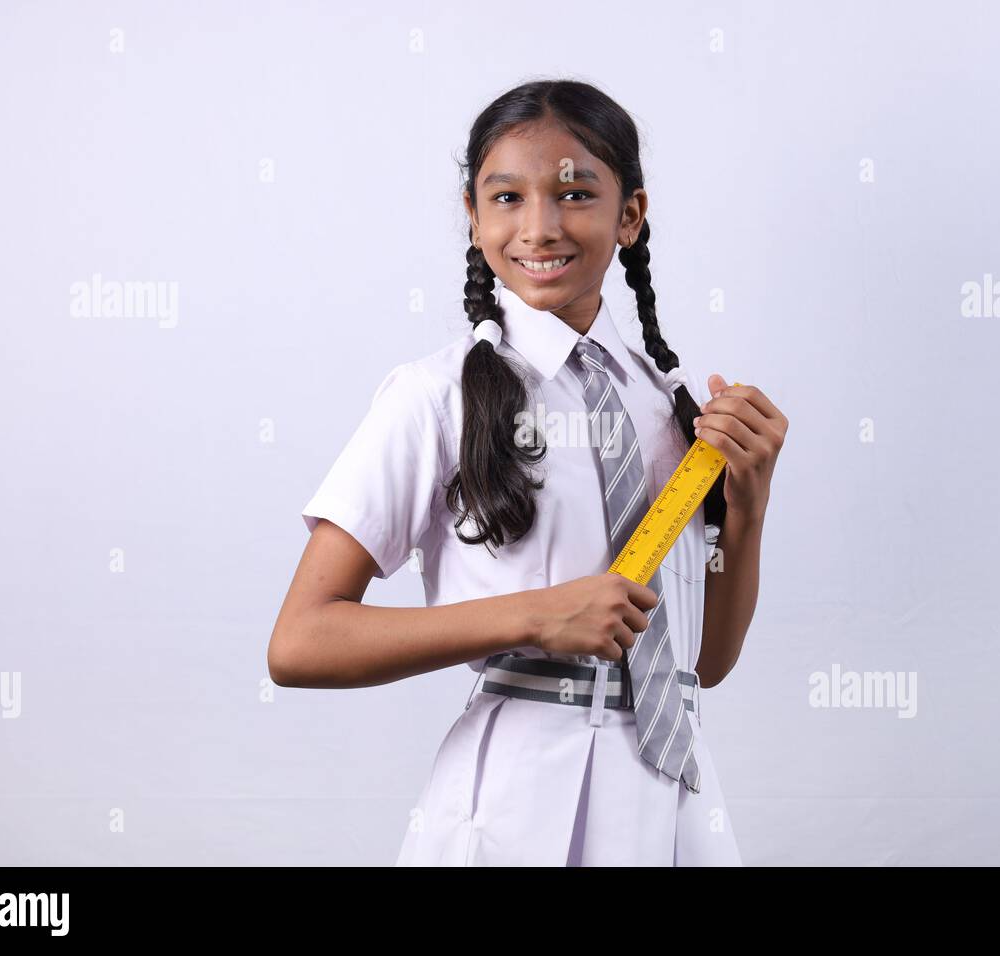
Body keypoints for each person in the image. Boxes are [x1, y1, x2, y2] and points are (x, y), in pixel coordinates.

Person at [268, 78, 788, 865]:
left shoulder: (672, 411)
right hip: (516, 812)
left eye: (575, 192)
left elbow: (702, 666)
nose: (539, 226)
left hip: (677, 804)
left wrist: (747, 510)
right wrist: (534, 616)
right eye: (507, 197)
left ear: (630, 214)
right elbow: (301, 642)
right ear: (474, 220)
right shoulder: (435, 397)